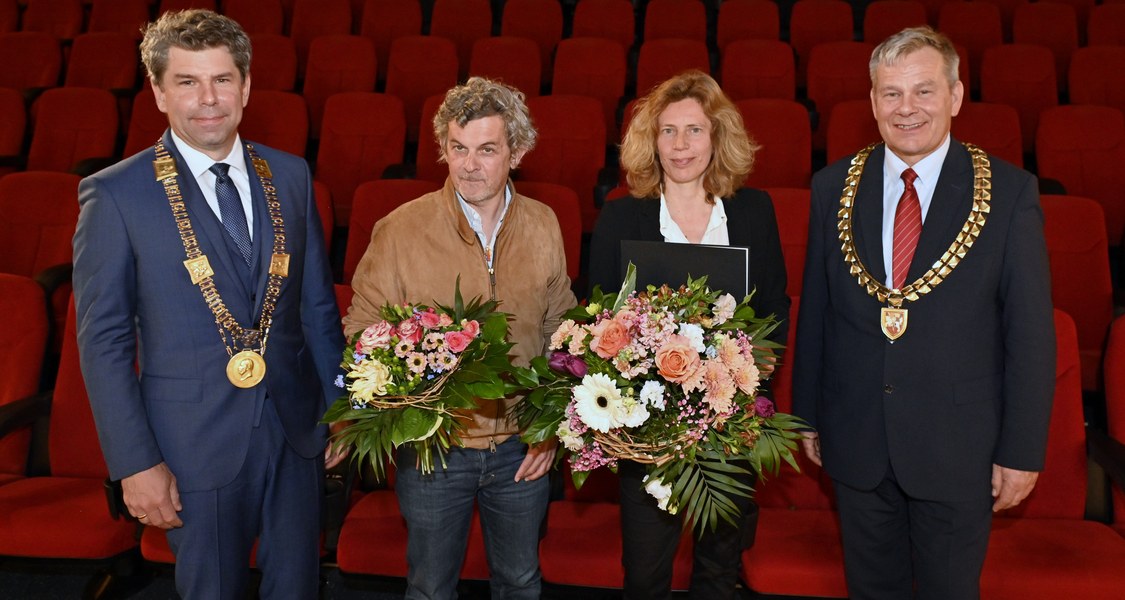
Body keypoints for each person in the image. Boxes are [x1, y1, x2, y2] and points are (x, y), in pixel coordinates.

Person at [72, 10, 346, 599]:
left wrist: (338, 409)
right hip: (190, 444)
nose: (208, 99)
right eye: (188, 82)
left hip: (297, 433)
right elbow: (104, 344)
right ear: (159, 92)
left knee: (298, 589)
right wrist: (135, 464)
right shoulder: (115, 194)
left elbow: (316, 308)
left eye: (222, 79)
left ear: (246, 86)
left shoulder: (292, 176)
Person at [792, 26, 1055, 599]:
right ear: (872, 102)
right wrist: (806, 415)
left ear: (956, 97)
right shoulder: (832, 186)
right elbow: (817, 312)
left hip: (959, 449)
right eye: (891, 93)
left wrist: (1021, 450)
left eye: (924, 91)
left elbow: (1031, 335)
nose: (906, 109)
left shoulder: (1010, 194)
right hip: (856, 440)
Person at [342, 77, 576, 600]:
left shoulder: (544, 224)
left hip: (522, 447)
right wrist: (410, 403)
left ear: (516, 151)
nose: (469, 164)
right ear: (443, 149)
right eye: (458, 148)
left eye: (487, 150)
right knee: (429, 588)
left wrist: (551, 428)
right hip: (434, 451)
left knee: (520, 582)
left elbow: (565, 336)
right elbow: (361, 333)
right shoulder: (400, 229)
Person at [587, 70, 790, 600]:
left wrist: (748, 379)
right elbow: (598, 327)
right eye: (668, 131)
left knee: (719, 574)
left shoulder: (754, 211)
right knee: (646, 576)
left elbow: (773, 310)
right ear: (650, 141)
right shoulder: (619, 218)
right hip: (648, 435)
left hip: (730, 428)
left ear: (717, 137)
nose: (681, 145)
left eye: (694, 130)